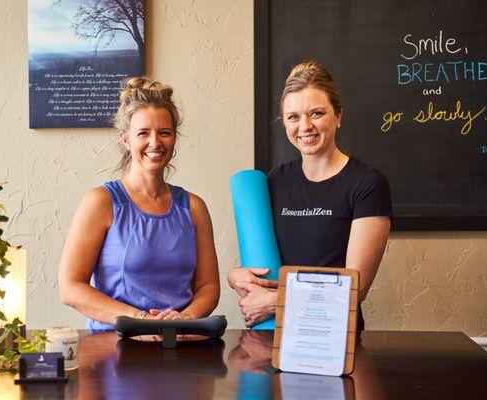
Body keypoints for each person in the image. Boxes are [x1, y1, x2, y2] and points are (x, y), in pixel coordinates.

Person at [228, 61, 391, 330]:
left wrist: (272, 302)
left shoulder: (368, 184)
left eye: (316, 113)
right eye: (293, 117)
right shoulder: (276, 180)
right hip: (279, 335)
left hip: (335, 335)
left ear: (338, 116)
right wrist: (235, 276)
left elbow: (355, 290)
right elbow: (266, 267)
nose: (305, 126)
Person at [59, 77, 220, 330]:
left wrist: (184, 319)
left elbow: (208, 287)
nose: (155, 143)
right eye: (143, 133)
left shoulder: (194, 207)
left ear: (174, 138)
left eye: (164, 133)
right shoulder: (101, 202)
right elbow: (70, 288)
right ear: (126, 139)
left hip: (178, 344)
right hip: (114, 349)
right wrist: (140, 321)